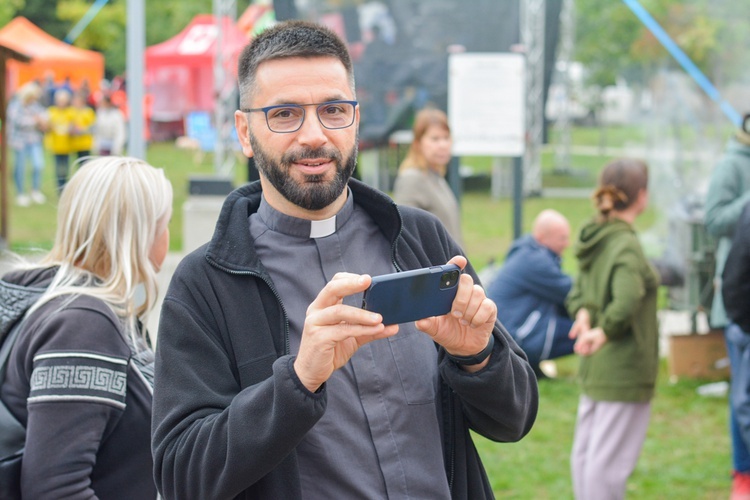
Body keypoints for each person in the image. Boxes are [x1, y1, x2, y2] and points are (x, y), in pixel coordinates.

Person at [151, 20, 538, 500]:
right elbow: (180, 477)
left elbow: (515, 419)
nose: (314, 135)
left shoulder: (420, 238)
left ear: (355, 119)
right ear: (244, 132)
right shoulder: (206, 284)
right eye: (285, 114)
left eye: (333, 110)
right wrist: (298, 380)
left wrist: (478, 358)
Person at [0, 156, 172, 498]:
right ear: (140, 234)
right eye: (163, 224)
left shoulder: (39, 297)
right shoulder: (84, 326)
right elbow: (55, 488)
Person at [566, 158, 660, 500]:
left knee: (588, 460)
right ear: (641, 197)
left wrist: (584, 318)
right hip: (622, 370)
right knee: (605, 470)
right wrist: (601, 332)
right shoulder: (626, 245)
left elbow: (581, 292)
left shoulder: (597, 236)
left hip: (596, 369)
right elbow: (626, 298)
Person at [705, 113, 750, 498]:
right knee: (743, 396)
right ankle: (743, 473)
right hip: (740, 303)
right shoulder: (731, 165)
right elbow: (714, 220)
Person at [486, 209, 575, 378]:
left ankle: (532, 367)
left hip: (507, 331)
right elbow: (570, 291)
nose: (567, 243)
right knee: (586, 329)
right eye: (562, 238)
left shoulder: (528, 252)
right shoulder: (534, 261)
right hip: (514, 337)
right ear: (542, 237)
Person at [392, 107, 463, 245]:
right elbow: (405, 236)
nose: (443, 145)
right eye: (435, 139)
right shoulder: (412, 179)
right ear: (418, 143)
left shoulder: (436, 176)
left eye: (446, 138)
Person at [7, 82, 48, 206]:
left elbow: (44, 116)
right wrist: (34, 121)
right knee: (20, 168)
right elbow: (17, 122)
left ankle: (35, 190)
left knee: (38, 165)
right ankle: (20, 193)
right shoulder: (15, 105)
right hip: (19, 141)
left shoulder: (35, 106)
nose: (34, 99)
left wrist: (41, 120)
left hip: (34, 140)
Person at [45, 88, 75, 190]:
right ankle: (59, 187)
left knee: (66, 168)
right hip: (56, 145)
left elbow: (74, 126)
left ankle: (65, 186)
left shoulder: (70, 112)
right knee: (58, 168)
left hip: (67, 145)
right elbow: (46, 127)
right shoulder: (52, 111)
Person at [70, 91, 96, 160]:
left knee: (85, 162)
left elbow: (92, 127)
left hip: (85, 143)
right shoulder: (72, 111)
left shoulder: (88, 112)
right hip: (76, 144)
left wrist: (81, 130)